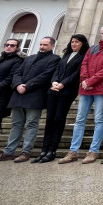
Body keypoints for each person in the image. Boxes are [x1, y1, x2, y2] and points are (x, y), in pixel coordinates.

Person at [0, 37, 60, 163]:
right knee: (16, 124)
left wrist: (27, 86)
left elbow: (46, 76)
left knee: (32, 124)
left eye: (45, 45)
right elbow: (17, 73)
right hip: (19, 94)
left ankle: (26, 152)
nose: (42, 47)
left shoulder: (54, 59)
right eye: (41, 44)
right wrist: (18, 85)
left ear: (52, 46)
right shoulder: (30, 58)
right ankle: (9, 152)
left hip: (35, 95)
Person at [59, 25, 103, 164]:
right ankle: (73, 151)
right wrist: (84, 80)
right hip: (86, 88)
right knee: (79, 119)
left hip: (101, 88)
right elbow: (84, 65)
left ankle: (93, 151)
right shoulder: (92, 48)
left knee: (99, 119)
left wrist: (91, 80)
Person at [34, 34, 89, 163]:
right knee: (49, 119)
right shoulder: (66, 55)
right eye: (72, 41)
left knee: (59, 118)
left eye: (76, 42)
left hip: (67, 90)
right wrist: (54, 82)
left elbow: (77, 74)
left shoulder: (84, 56)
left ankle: (52, 150)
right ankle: (44, 149)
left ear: (82, 43)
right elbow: (57, 70)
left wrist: (63, 84)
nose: (73, 44)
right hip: (53, 90)